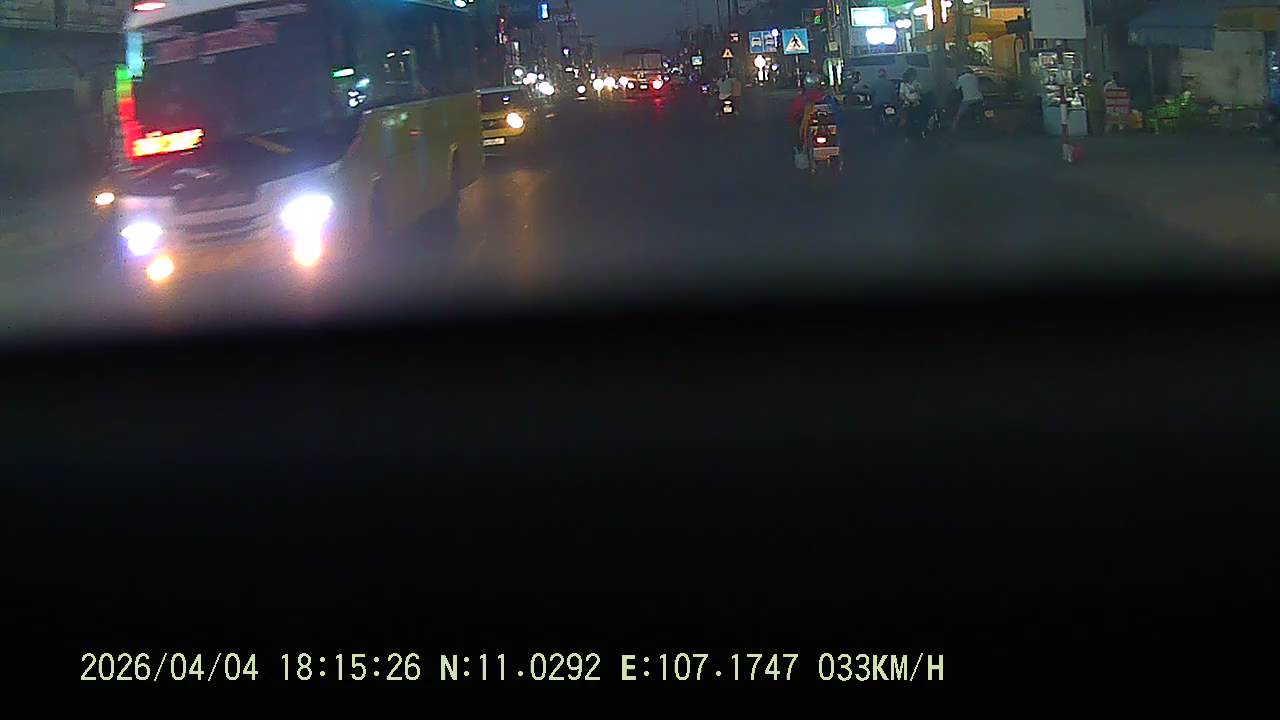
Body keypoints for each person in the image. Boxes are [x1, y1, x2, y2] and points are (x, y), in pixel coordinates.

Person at [899, 67, 924, 138]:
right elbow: (901, 95)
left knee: (917, 119)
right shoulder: (903, 84)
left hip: (916, 104)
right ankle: (907, 136)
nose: (913, 77)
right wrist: (909, 100)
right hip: (908, 105)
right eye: (912, 75)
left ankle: (918, 134)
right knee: (908, 121)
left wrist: (917, 89)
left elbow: (920, 93)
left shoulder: (917, 83)